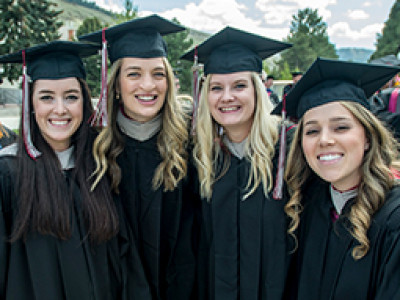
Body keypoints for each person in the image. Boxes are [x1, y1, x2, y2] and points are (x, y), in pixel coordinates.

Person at [79, 15, 197, 299]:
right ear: (116, 84)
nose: (148, 85)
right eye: (133, 74)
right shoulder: (92, 147)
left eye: (158, 74)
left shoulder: (192, 143)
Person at [0, 41, 128, 299]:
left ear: (84, 102)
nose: (60, 109)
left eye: (71, 96)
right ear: (31, 104)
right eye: (46, 97)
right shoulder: (8, 174)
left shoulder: (102, 167)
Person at [181, 26, 293, 299]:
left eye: (239, 86)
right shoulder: (202, 157)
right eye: (216, 87)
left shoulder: (288, 151)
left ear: (257, 90)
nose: (227, 97)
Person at [274, 58, 400, 299]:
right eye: (311, 131)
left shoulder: (394, 220)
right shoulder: (309, 207)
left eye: (340, 127)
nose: (325, 140)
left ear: (367, 137)